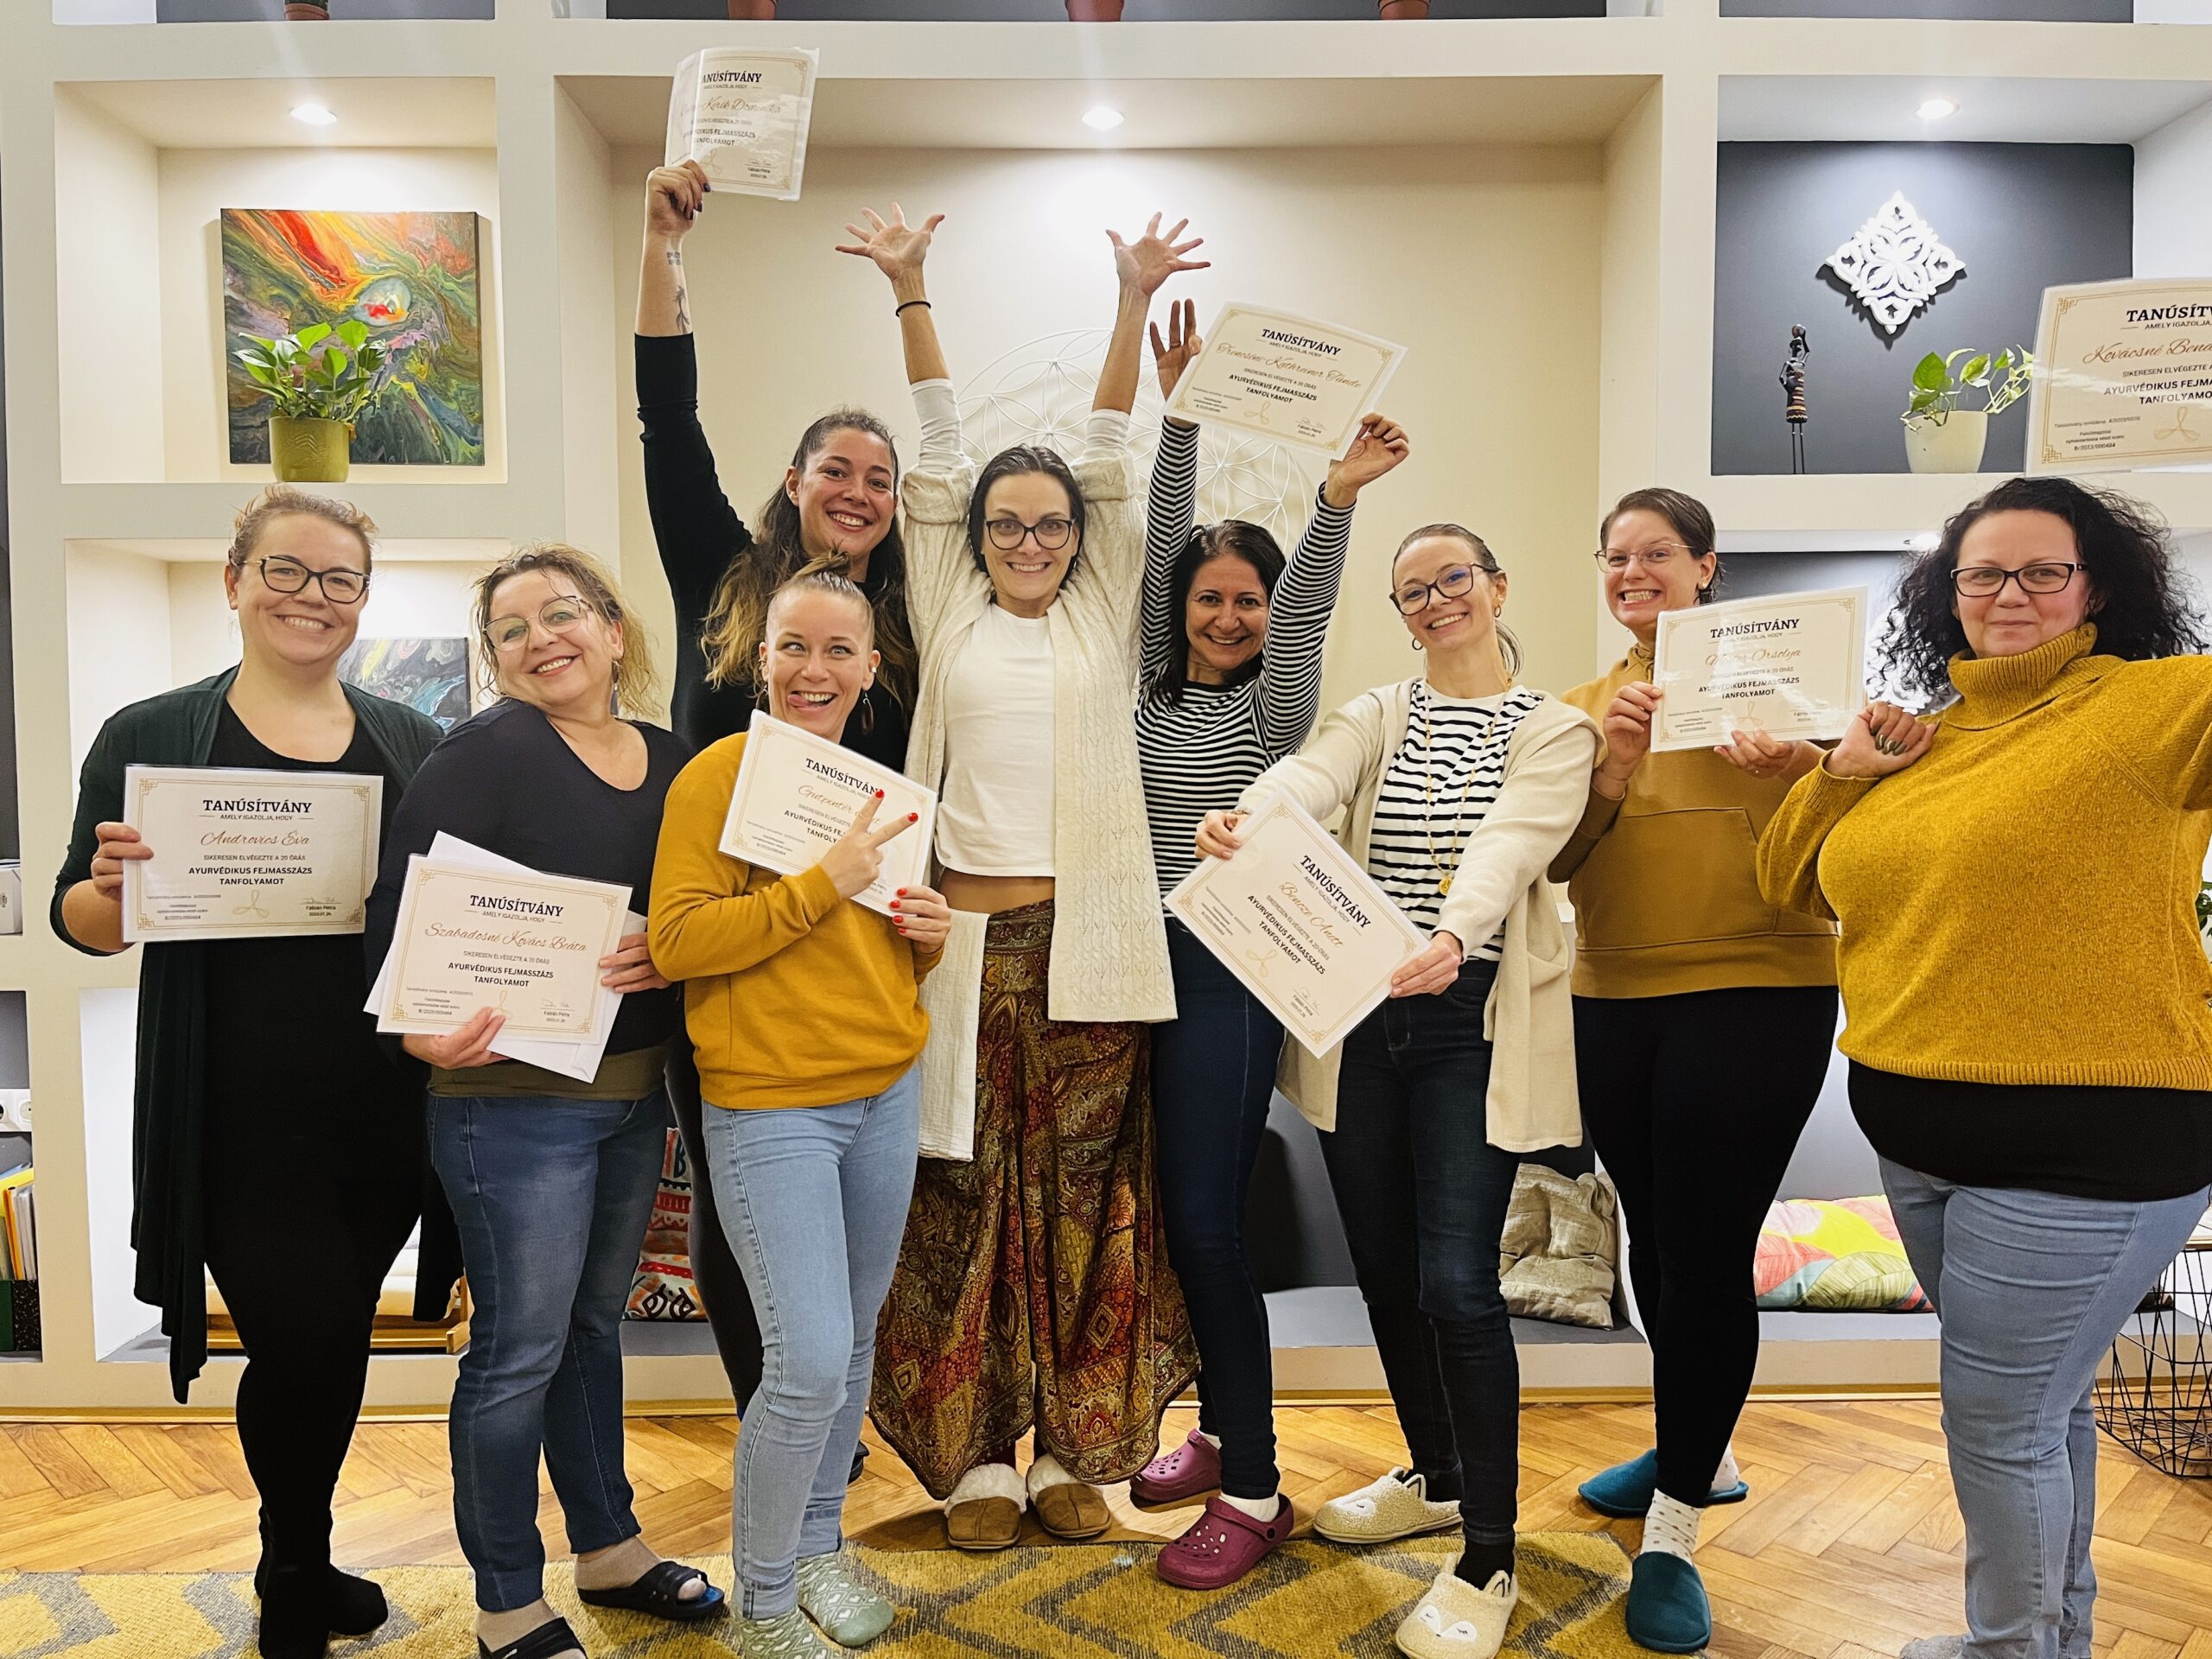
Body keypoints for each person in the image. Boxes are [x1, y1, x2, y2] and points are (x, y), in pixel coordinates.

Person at [1757, 476, 2212, 1659]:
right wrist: (1843, 770)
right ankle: (2052, 1640)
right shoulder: (1924, 734)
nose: (2009, 594)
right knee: (2038, 1413)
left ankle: (2011, 1649)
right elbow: (1789, 883)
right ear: (1946, 592)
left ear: (2094, 589)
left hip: (2089, 1148)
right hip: (1918, 1144)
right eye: (1982, 573)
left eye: (2041, 571)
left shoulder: (2157, 705)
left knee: (1998, 1425)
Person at [864, 210, 1207, 1549]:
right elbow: (939, 454)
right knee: (957, 1202)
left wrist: (1131, 302)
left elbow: (1114, 461)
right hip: (959, 949)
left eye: (1049, 524)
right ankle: (976, 1462)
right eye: (1006, 525)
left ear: (1075, 536)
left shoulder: (1101, 615)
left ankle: (1070, 1451)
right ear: (977, 538)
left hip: (1091, 952)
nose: (1028, 540)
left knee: (1082, 1212)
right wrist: (912, 288)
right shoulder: (949, 609)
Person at [53, 487, 445, 1659]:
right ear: (235, 580)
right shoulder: (151, 734)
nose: (311, 597)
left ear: (363, 599)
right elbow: (83, 921)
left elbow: (444, 907)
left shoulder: (413, 741)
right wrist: (114, 892)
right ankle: (293, 1572)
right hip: (230, 1115)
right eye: (285, 570)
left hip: (382, 1112)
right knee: (303, 1340)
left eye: (339, 579)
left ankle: (301, 1560)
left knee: (337, 1341)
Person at [1197, 524, 1599, 1659]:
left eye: (1452, 580)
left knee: (1456, 1285)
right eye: (1412, 591)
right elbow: (1311, 774)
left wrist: (1453, 934)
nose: (1434, 602)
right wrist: (1251, 815)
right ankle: (1435, 1474)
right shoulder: (1380, 711)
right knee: (1383, 1272)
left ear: (1496, 586)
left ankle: (1489, 1553)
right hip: (1360, 1023)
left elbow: (1511, 845)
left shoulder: (1553, 728)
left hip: (1470, 1023)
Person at [364, 547, 721, 1659]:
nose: (539, 641)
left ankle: (609, 1548)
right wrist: (413, 1028)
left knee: (588, 1331)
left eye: (560, 615)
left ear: (612, 628)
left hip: (632, 1093)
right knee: (517, 1348)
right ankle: (507, 1601)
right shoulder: (488, 752)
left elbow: (696, 910)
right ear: (496, 660)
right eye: (510, 631)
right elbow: (397, 905)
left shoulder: (673, 758)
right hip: (508, 1104)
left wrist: (673, 949)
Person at [1127, 297, 1410, 1588]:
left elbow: (1301, 617)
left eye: (1247, 600)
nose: (1230, 617)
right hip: (1134, 967)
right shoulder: (1148, 683)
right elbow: (1156, 554)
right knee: (1170, 1219)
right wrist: (1178, 417)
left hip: (1229, 975)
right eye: (1211, 598)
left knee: (1206, 1219)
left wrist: (1335, 496)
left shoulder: (1274, 706)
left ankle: (1253, 1483)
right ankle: (1215, 1425)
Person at [635, 159, 921, 1434]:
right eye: (835, 469)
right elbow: (668, 420)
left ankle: (816, 1441)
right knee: (732, 1200)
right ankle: (778, 1421)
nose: (857, 492)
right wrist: (661, 251)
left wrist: (912, 294)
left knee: (848, 1242)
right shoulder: (720, 572)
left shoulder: (903, 619)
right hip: (728, 944)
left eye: (879, 479)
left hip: (856, 955)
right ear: (796, 480)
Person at [1548, 489, 1839, 1653]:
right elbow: (1557, 864)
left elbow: (1855, 833)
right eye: (1614, 555)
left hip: (1759, 992)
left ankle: (1674, 1526)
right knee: (1657, 1243)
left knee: (1709, 1251)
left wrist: (1812, 763)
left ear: (1706, 567)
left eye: (1656, 552)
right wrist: (1610, 773)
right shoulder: (1581, 709)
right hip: (1612, 998)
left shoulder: (1797, 685)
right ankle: (1692, 1446)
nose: (1632, 571)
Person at [651, 568, 954, 1658]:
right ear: (758, 656)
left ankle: (820, 1545)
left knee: (854, 1342)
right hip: (770, 1107)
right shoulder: (715, 778)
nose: (813, 670)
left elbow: (875, 961)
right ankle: (765, 1606)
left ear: (871, 668)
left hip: (882, 1093)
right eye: (793, 647)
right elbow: (678, 943)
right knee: (808, 1361)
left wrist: (926, 936)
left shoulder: (883, 792)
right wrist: (825, 879)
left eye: (837, 651)